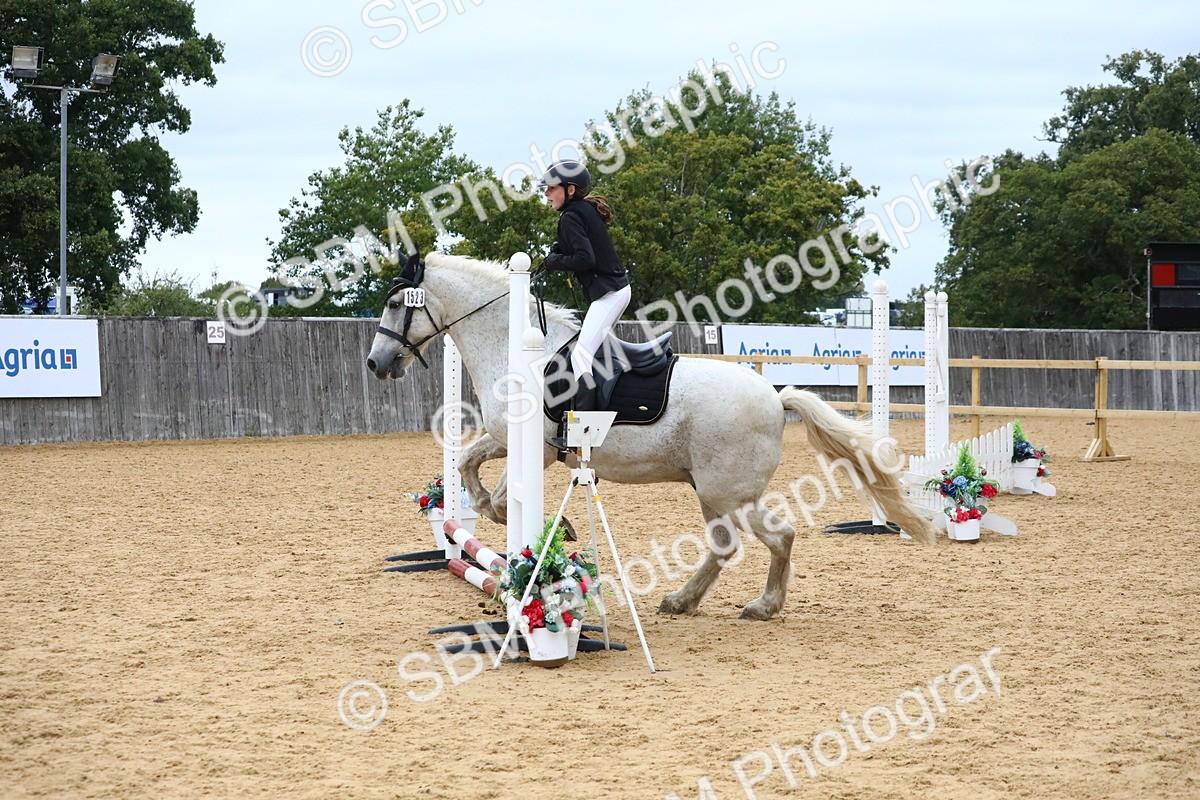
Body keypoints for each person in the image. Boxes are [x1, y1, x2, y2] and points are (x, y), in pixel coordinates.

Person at [539, 159, 631, 420]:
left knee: (581, 355)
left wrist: (554, 261)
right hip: (615, 290)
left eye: (551, 188)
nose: (546, 193)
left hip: (611, 294)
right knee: (585, 351)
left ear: (570, 190)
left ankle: (584, 423)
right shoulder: (580, 211)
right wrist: (559, 251)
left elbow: (586, 259)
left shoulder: (570, 216)